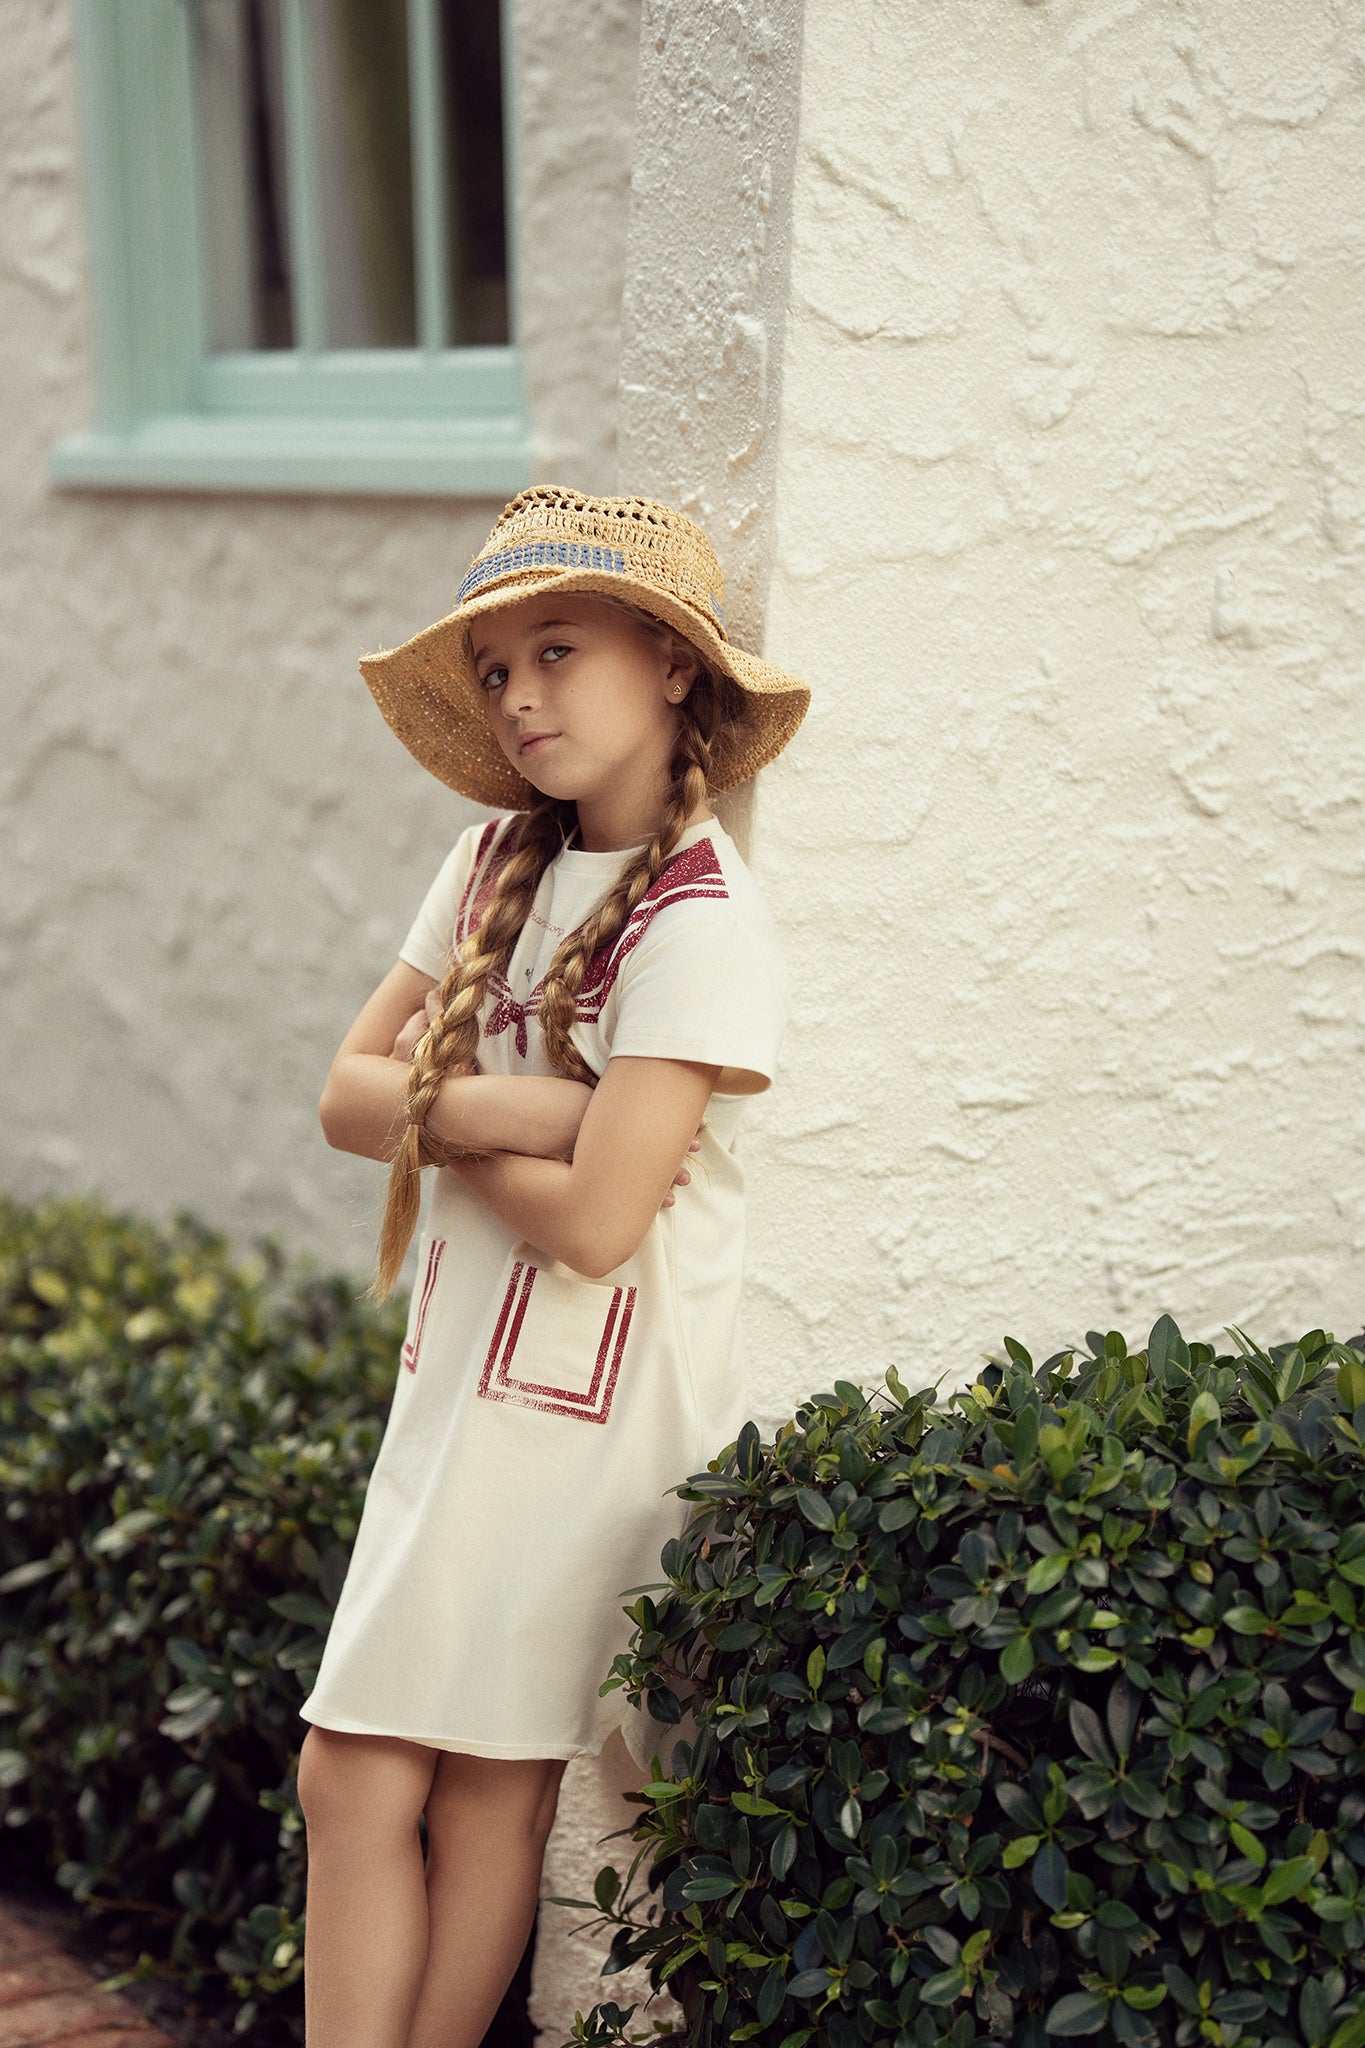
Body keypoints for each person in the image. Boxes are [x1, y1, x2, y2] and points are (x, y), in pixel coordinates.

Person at [294, 486, 809, 2048]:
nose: (520, 696)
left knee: (445, 1785)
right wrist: (541, 1111)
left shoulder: (701, 922)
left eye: (558, 651)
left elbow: (599, 1227)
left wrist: (440, 1118)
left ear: (670, 662)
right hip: (458, 1383)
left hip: (589, 1417)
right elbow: (341, 1099)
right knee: (380, 1783)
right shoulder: (483, 866)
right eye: (497, 669)